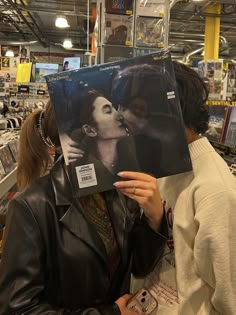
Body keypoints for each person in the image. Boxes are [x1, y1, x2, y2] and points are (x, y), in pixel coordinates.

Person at [0, 100, 167, 315]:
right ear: (88, 129)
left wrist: (154, 219)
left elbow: (139, 267)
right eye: (108, 109)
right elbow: (17, 309)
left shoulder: (118, 191)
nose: (119, 114)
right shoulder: (32, 207)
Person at [123, 61, 236, 315]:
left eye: (141, 111)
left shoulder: (216, 190)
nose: (130, 124)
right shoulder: (167, 166)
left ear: (171, 112)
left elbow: (230, 298)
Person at [111, 64, 192, 178]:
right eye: (120, 107)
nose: (121, 115)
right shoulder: (123, 139)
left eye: (137, 108)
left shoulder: (169, 142)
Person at [67, 89, 140, 196]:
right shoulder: (83, 173)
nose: (120, 116)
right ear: (90, 130)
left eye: (114, 108)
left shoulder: (130, 153)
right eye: (108, 111)